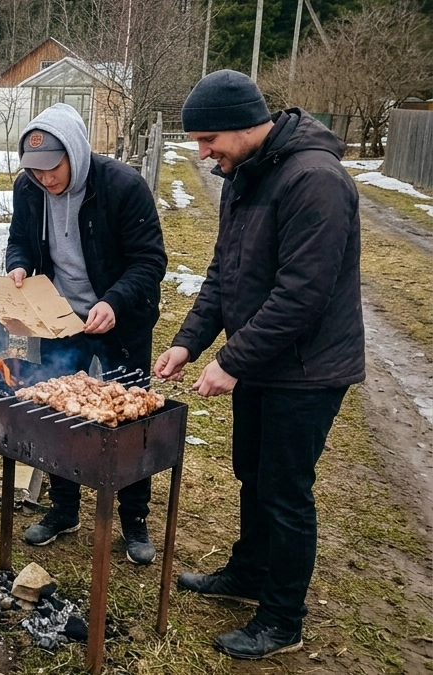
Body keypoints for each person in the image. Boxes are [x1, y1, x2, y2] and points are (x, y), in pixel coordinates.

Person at [154, 70, 364, 659]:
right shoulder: (243, 176)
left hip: (308, 369)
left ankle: (283, 619)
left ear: (247, 124)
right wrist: (188, 343)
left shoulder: (315, 180)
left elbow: (303, 293)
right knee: (253, 472)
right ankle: (248, 575)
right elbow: (225, 275)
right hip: (262, 364)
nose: (203, 153)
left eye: (207, 139)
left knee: (286, 490)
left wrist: (232, 359)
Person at [5, 103, 167, 565]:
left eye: (52, 168)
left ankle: (134, 520)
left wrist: (113, 301)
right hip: (60, 318)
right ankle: (64, 509)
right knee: (61, 410)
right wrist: (18, 264)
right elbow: (20, 238)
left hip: (120, 318)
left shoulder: (122, 187)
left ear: (74, 153)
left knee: (129, 416)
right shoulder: (29, 189)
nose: (44, 179)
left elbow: (150, 261)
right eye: (34, 171)